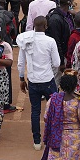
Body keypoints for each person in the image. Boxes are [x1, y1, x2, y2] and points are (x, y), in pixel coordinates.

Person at [17, 16, 61, 150]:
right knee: (54, 110)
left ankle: (37, 141)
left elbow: (20, 63)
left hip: (33, 82)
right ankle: (53, 139)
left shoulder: (25, 40)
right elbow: (57, 63)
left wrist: (21, 79)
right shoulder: (50, 41)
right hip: (48, 80)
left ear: (34, 26)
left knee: (35, 111)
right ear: (46, 26)